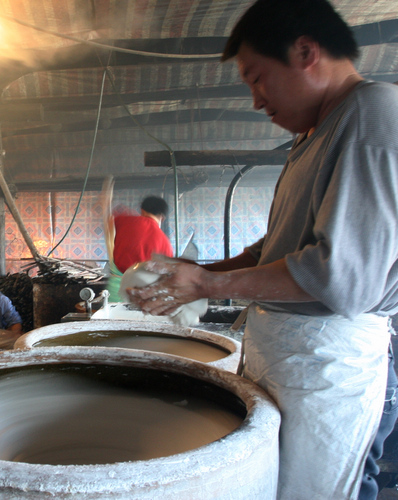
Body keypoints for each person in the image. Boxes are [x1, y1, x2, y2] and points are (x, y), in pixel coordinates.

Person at [125, 0, 398, 498]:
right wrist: (196, 272)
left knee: (312, 491)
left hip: (328, 361)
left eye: (257, 78)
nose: (255, 100)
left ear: (305, 52)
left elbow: (342, 278)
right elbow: (274, 249)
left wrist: (209, 284)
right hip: (288, 351)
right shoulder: (313, 134)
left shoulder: (373, 113)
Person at [104, 193, 174, 301]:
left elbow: (109, 222)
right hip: (144, 297)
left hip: (116, 292)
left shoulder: (123, 221)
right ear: (162, 217)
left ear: (142, 210)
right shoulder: (165, 243)